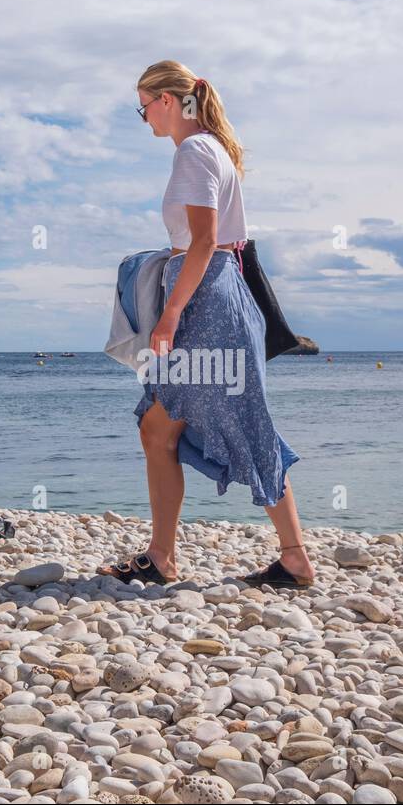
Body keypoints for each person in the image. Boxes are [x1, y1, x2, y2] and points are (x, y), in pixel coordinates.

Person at [98, 60, 313, 588]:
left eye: (143, 105)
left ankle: (293, 556)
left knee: (240, 424)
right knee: (159, 427)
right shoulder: (211, 149)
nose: (143, 116)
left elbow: (203, 241)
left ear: (166, 100)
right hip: (217, 297)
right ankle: (164, 557)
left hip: (205, 305)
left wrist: (170, 315)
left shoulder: (195, 152)